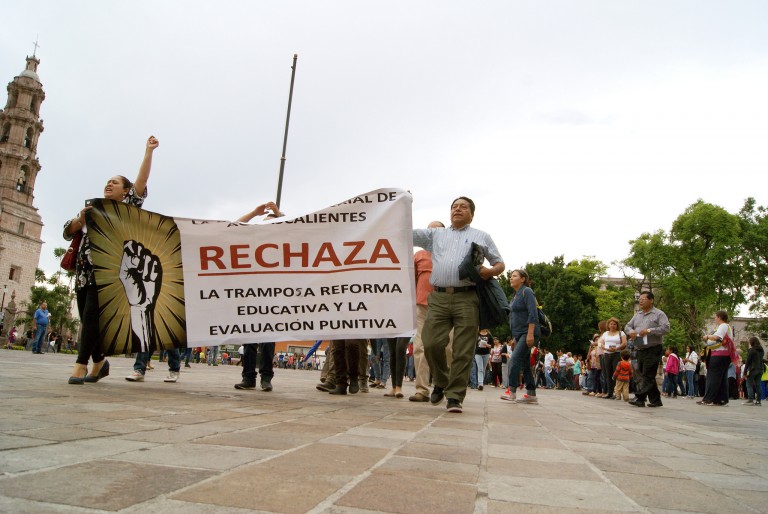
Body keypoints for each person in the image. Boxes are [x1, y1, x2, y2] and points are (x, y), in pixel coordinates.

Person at [64, 135, 159, 384]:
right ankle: (100, 362)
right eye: (108, 182)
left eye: (115, 183)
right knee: (88, 320)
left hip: (108, 271)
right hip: (83, 271)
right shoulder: (93, 209)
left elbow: (142, 181)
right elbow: (68, 231)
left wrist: (148, 151)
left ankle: (80, 365)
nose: (109, 185)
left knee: (93, 317)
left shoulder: (125, 209)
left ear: (126, 191)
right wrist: (79, 220)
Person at [413, 196, 505, 413]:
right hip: (439, 297)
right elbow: (407, 234)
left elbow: (499, 263)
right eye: (454, 206)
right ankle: (443, 381)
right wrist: (402, 206)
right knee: (431, 342)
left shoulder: (482, 236)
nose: (457, 209)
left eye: (463, 207)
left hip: (467, 297)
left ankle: (454, 396)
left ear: (472, 214)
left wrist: (490, 271)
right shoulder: (436, 234)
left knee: (463, 350)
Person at [410, 221, 446, 402]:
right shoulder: (418, 255)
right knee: (419, 347)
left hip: (445, 306)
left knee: (447, 348)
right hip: (422, 306)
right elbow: (409, 279)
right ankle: (422, 389)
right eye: (429, 229)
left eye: (436, 229)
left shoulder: (450, 253)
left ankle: (445, 386)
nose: (431, 232)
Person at [624, 291, 670, 407]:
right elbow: (627, 326)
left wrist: (649, 331)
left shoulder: (659, 314)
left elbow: (666, 328)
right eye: (639, 299)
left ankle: (640, 398)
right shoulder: (637, 315)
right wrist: (631, 331)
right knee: (643, 374)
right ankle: (656, 400)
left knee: (648, 374)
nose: (640, 301)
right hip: (640, 347)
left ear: (651, 300)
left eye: (643, 299)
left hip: (653, 348)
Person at [500, 269, 539, 404]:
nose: (511, 278)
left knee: (515, 359)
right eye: (511, 276)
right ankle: (531, 393)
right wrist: (514, 338)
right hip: (519, 334)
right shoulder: (515, 296)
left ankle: (511, 391)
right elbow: (515, 318)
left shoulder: (526, 291)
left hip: (528, 332)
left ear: (522, 279)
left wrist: (530, 333)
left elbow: (532, 313)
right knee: (525, 363)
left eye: (514, 276)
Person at [698, 310, 734, 406]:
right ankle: (721, 398)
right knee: (722, 378)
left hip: (718, 355)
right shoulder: (728, 327)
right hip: (726, 355)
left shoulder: (723, 326)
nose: (715, 319)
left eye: (715, 317)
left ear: (719, 317)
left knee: (712, 377)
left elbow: (718, 337)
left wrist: (707, 337)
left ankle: (708, 398)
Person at [597, 318, 627, 399]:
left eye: (614, 324)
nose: (613, 325)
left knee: (615, 373)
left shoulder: (621, 333)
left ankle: (616, 392)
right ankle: (609, 392)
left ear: (617, 325)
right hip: (607, 354)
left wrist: (617, 348)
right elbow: (600, 343)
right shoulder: (606, 334)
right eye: (611, 324)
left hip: (617, 354)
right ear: (608, 325)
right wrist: (606, 348)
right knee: (608, 373)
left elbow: (624, 343)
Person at [743, 337, 764, 406]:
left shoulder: (751, 350)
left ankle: (750, 399)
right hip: (760, 369)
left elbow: (748, 362)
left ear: (751, 342)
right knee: (758, 385)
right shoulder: (761, 350)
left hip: (753, 369)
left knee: (749, 384)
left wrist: (745, 372)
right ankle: (758, 401)